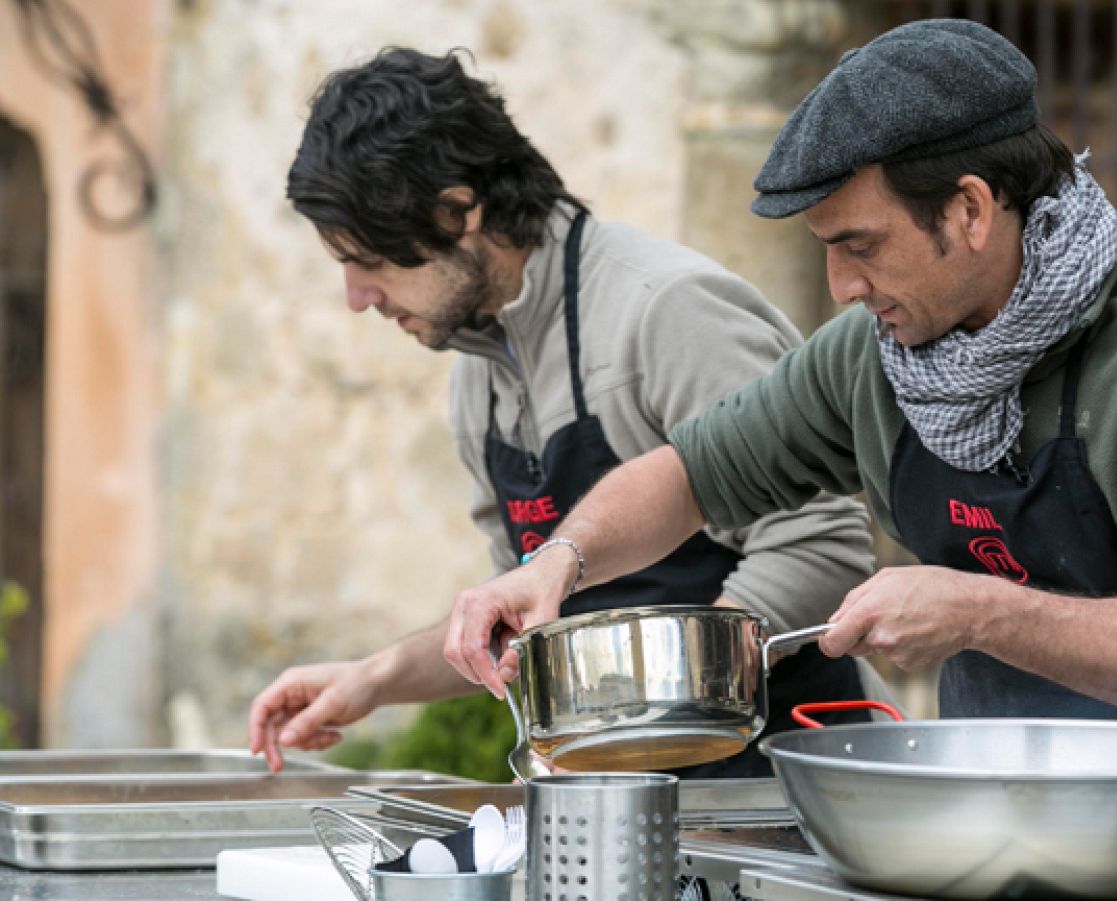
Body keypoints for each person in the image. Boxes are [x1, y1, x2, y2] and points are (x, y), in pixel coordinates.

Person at [439, 19, 1117, 870]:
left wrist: (978, 611)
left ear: (971, 210)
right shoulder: (873, 360)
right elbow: (693, 472)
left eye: (861, 245)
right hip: (992, 817)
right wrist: (559, 561)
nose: (841, 287)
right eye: (826, 250)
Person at [247, 47, 885, 779]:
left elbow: (826, 546)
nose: (357, 297)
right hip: (616, 793)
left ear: (459, 210)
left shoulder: (666, 309)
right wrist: (373, 678)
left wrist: (666, 695)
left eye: (370, 260)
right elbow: (517, 624)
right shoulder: (475, 376)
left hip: (781, 786)